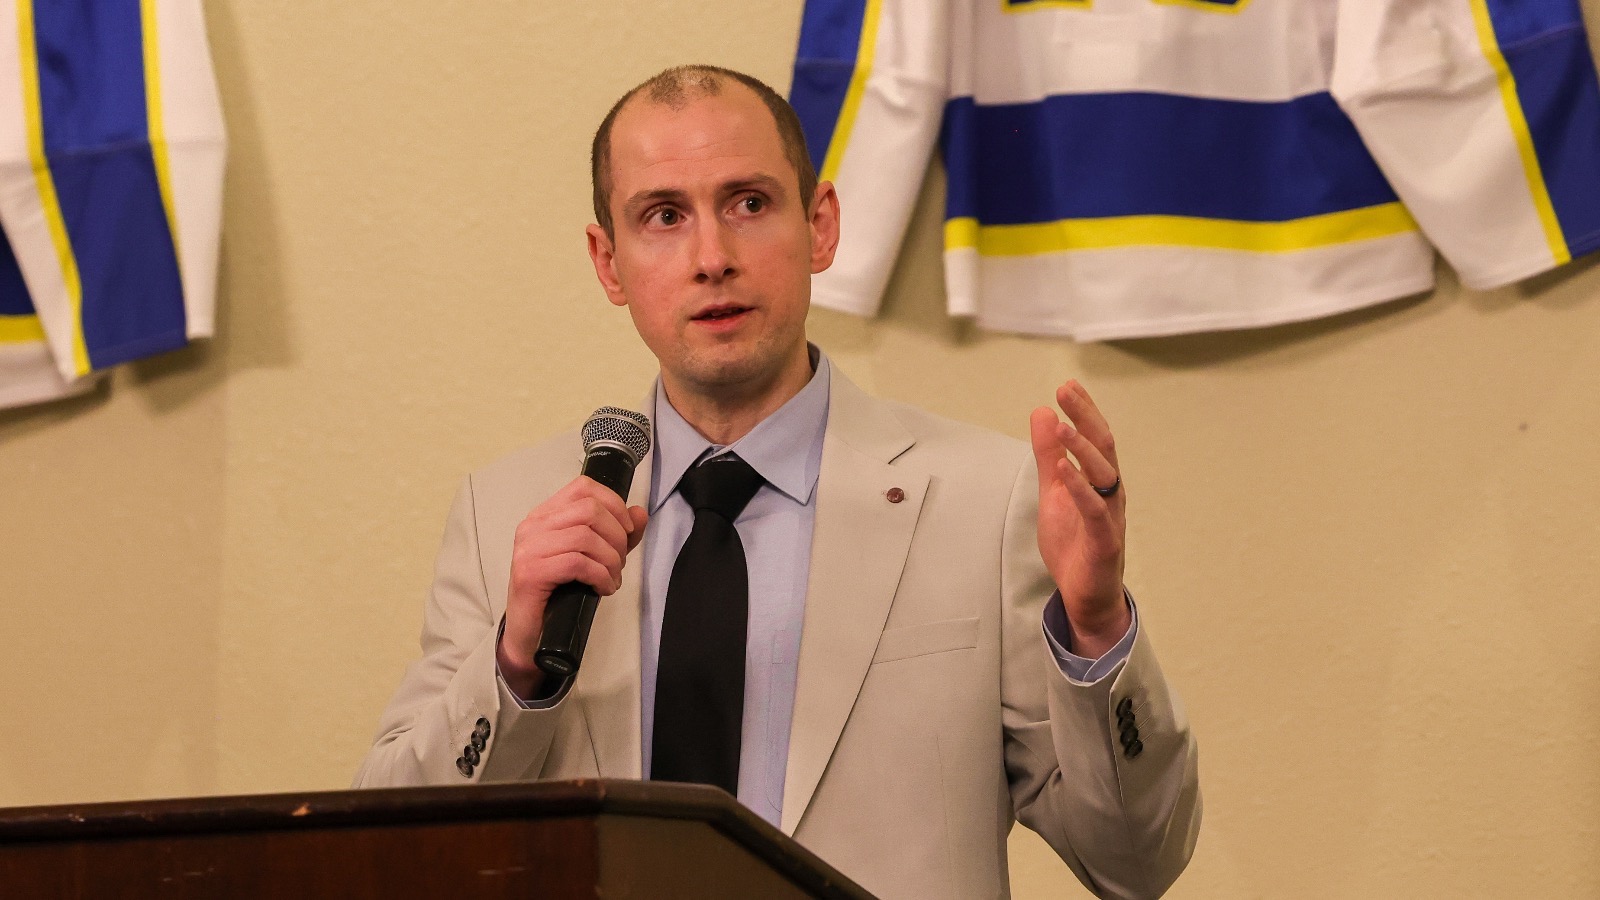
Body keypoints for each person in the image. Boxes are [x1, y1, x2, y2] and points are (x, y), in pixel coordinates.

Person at [355, 65, 1200, 900]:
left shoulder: (986, 502)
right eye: (663, 217)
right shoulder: (504, 517)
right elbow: (390, 859)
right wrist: (512, 667)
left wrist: (1095, 629)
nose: (712, 257)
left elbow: (1136, 862)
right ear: (607, 262)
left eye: (749, 203)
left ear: (821, 225)